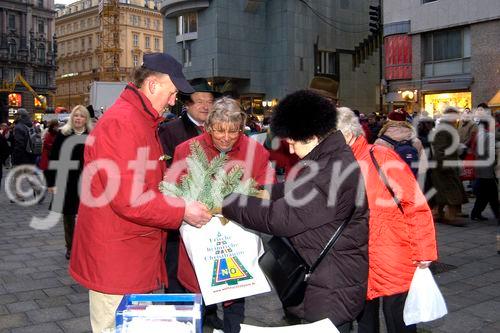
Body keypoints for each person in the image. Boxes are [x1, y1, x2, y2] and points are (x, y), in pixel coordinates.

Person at [68, 53, 212, 333]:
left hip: (130, 256)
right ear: (153, 86)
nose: (174, 101)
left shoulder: (139, 119)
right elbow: (130, 199)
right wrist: (182, 210)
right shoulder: (124, 123)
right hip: (118, 263)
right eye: (172, 93)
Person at [221, 90, 369, 333]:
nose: (289, 150)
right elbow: (295, 189)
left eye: (292, 142)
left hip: (331, 287)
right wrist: (259, 190)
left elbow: (280, 218)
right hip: (330, 278)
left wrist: (228, 201)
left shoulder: (331, 169)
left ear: (310, 134)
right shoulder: (329, 157)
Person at [168, 97, 276, 333]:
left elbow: (267, 190)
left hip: (237, 241)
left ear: (242, 127)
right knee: (199, 297)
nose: (226, 137)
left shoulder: (254, 151)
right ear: (207, 127)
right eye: (219, 131)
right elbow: (172, 192)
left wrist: (242, 202)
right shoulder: (186, 151)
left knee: (235, 301)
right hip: (198, 241)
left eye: (233, 131)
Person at [336, 107, 438, 333]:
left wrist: (424, 250)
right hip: (357, 257)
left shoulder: (381, 156)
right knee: (365, 321)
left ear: (347, 135)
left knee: (398, 320)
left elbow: (415, 203)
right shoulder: (336, 164)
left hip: (393, 253)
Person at [158, 77, 224, 329]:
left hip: (213, 215)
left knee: (210, 263)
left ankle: (208, 312)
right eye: (200, 101)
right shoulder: (170, 131)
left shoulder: (219, 130)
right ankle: (178, 316)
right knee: (177, 267)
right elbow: (164, 174)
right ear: (186, 104)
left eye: (210, 101)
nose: (206, 106)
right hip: (182, 215)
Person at [45, 106, 91, 260]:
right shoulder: (63, 134)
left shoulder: (92, 135)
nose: (78, 118)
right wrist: (51, 182)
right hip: (67, 180)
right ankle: (70, 246)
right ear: (72, 118)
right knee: (69, 215)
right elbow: (54, 159)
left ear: (86, 119)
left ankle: (85, 245)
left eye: (81, 116)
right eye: (76, 116)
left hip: (86, 180)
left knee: (87, 215)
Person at [431, 107, 468, 226]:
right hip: (444, 166)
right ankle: (450, 216)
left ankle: (439, 214)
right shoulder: (443, 130)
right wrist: (444, 164)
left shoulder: (449, 128)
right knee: (452, 192)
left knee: (443, 192)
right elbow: (439, 150)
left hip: (448, 164)